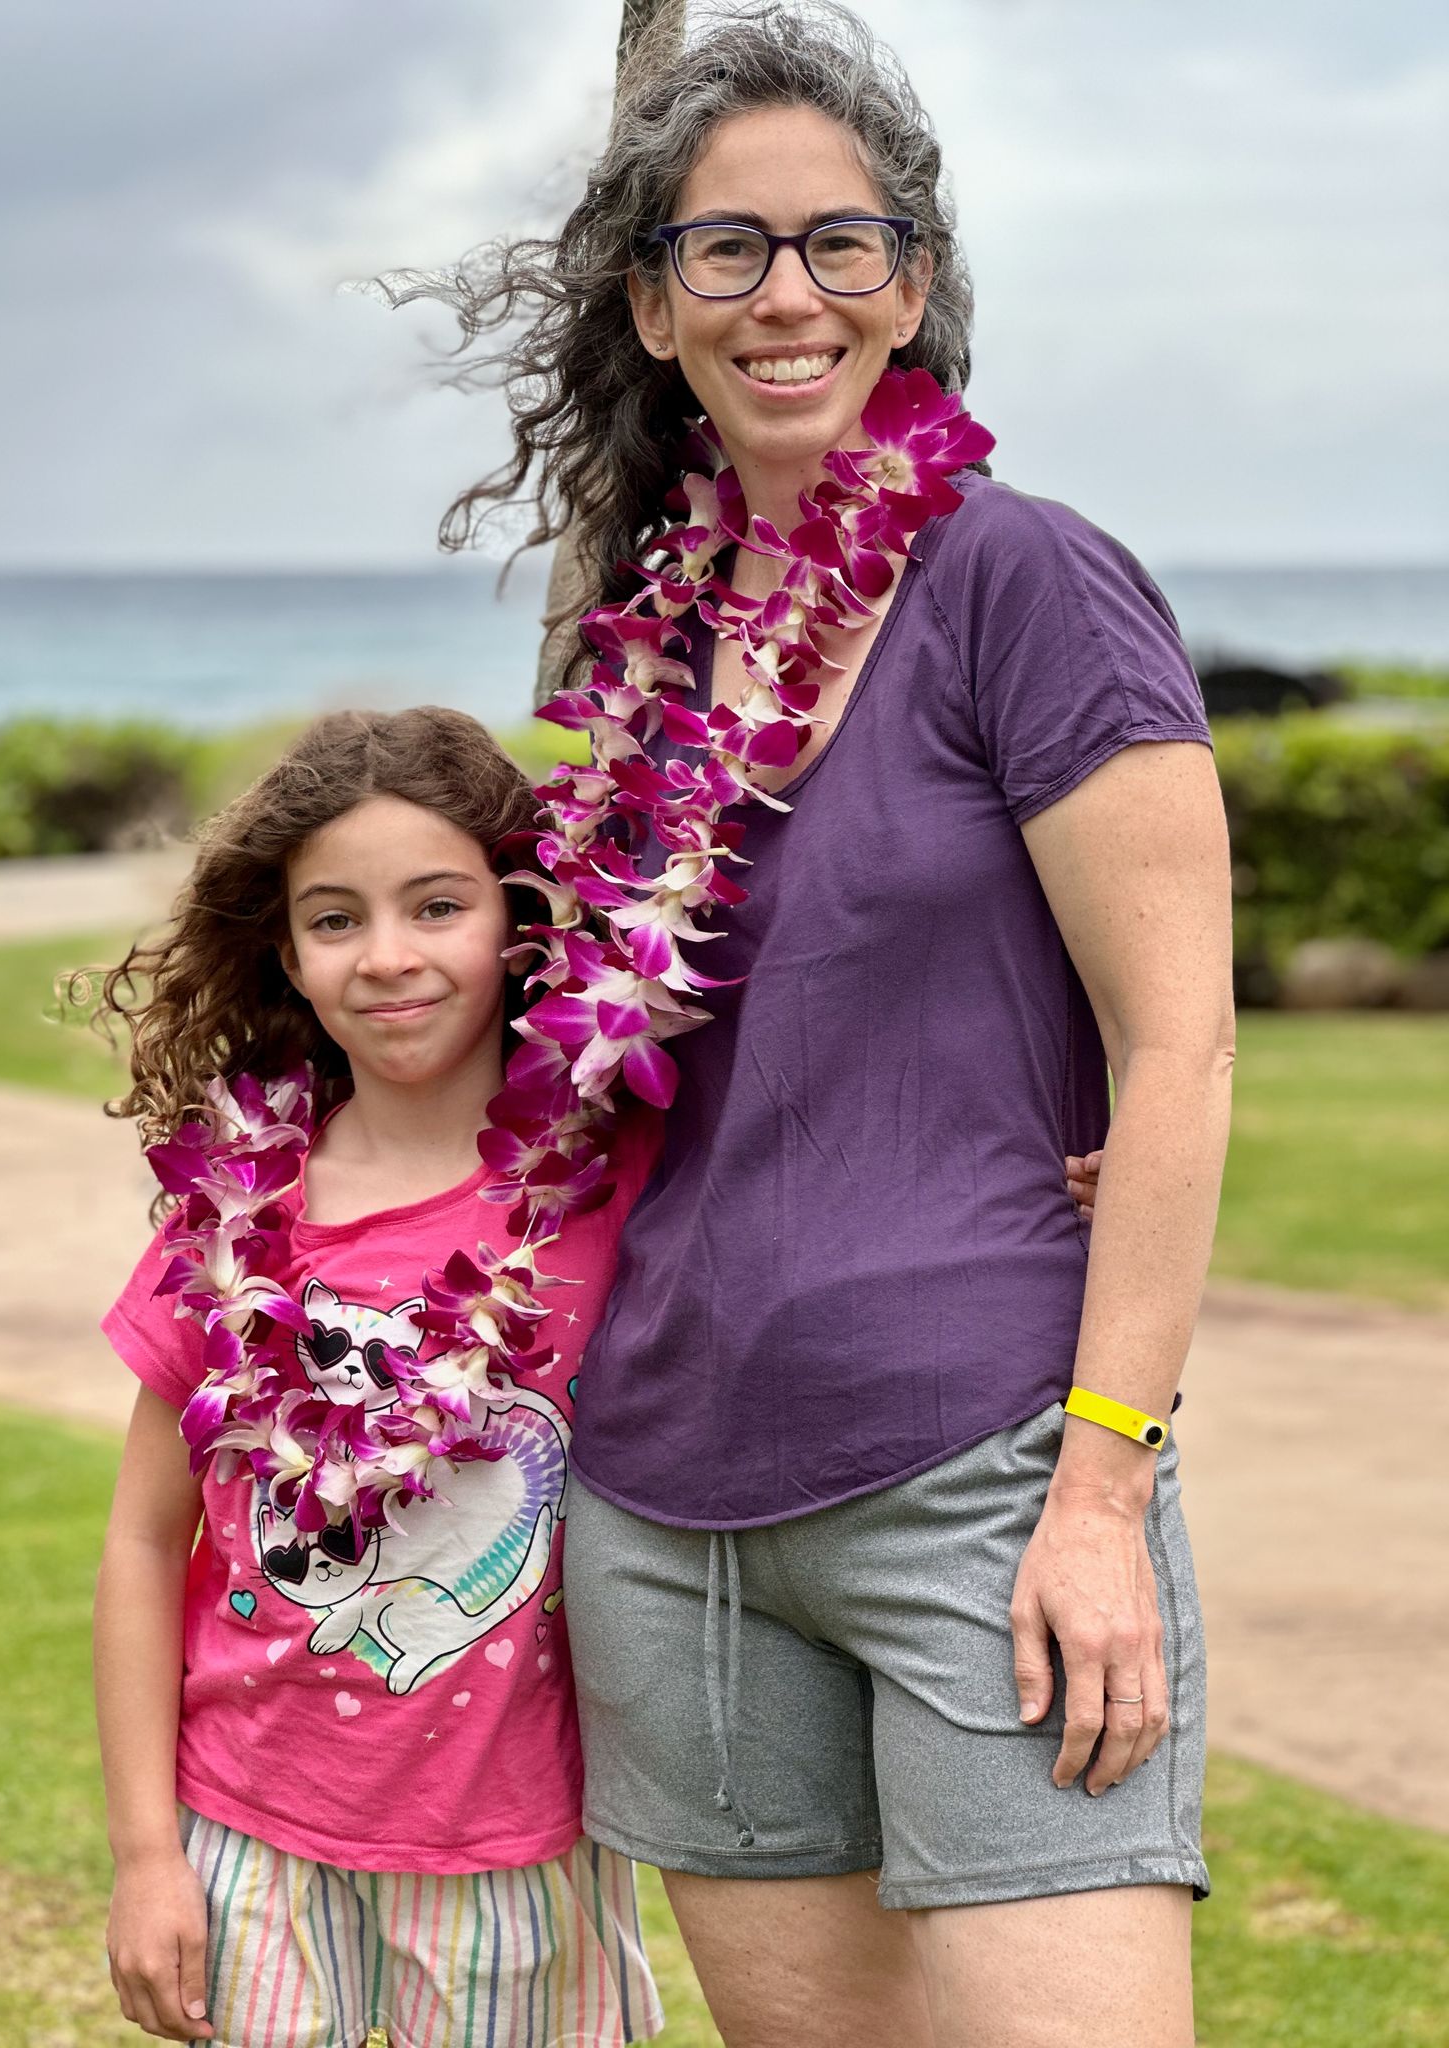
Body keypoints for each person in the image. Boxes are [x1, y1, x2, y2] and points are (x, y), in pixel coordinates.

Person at [430, 7, 1234, 2045]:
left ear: (916, 281)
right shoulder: (654, 668)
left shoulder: (1026, 584)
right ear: (655, 300)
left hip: (984, 1477)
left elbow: (1182, 1049)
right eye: (729, 249)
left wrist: (1102, 1491)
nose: (788, 293)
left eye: (840, 243)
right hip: (667, 1514)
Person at [91, 708, 665, 2048]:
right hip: (246, 1826)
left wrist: (1060, 1165)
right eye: (337, 919)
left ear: (521, 922)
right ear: (285, 955)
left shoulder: (618, 1168)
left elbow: (840, 1139)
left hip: (523, 1843)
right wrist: (142, 1856)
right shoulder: (233, 1219)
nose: (390, 956)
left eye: (438, 905)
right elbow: (137, 1537)